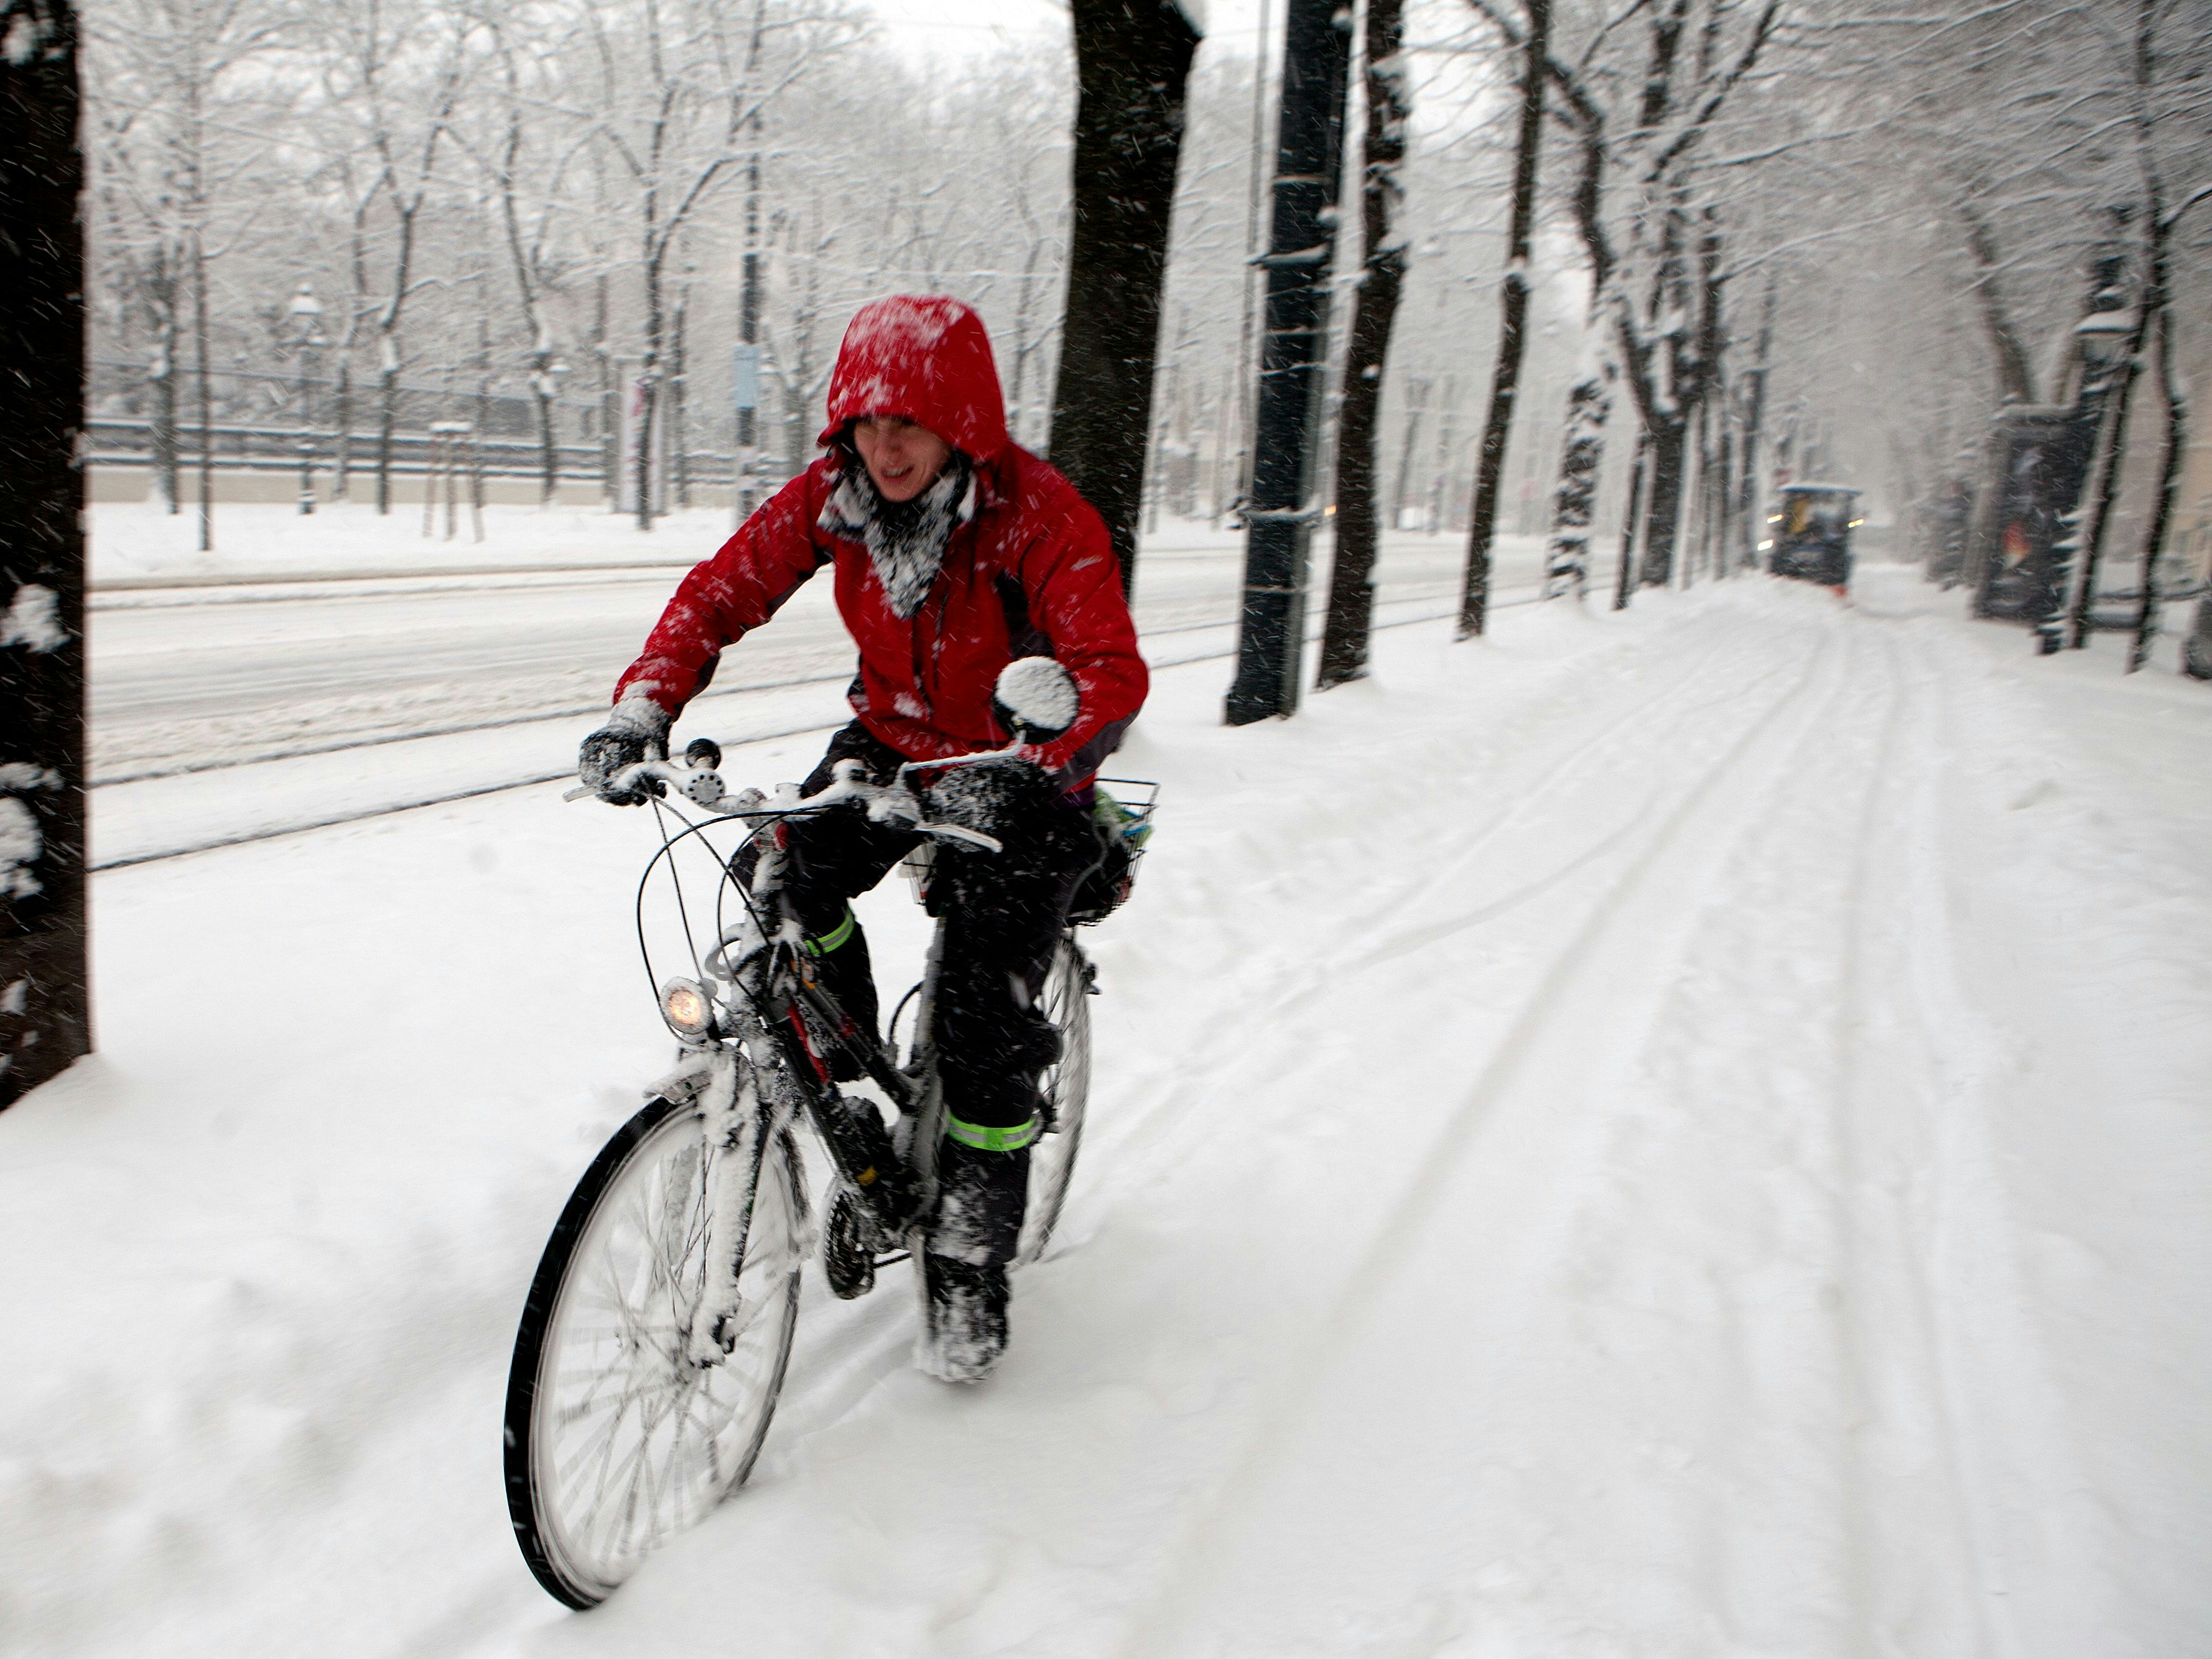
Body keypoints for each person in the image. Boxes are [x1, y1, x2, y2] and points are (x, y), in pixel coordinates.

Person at [578, 294, 1147, 1382]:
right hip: (891, 739)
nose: (886, 447)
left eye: (912, 424)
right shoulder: (831, 502)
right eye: (867, 425)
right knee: (777, 878)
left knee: (984, 1022)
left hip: (1017, 768)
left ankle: (971, 1261)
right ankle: (849, 1075)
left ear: (962, 428)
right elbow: (720, 593)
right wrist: (643, 706)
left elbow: (1108, 665)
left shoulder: (1037, 514)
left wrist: (1051, 748)